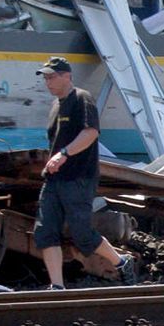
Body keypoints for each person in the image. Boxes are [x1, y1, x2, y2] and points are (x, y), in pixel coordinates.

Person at [34, 57, 134, 288]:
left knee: (82, 234)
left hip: (77, 178)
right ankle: (57, 286)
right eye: (46, 78)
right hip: (54, 180)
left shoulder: (81, 99)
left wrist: (64, 154)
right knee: (45, 231)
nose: (48, 82)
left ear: (67, 76)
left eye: (52, 77)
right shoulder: (55, 106)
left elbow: (91, 133)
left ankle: (121, 262)